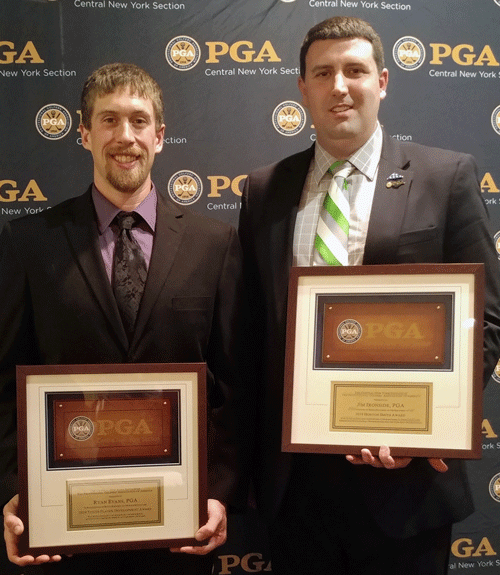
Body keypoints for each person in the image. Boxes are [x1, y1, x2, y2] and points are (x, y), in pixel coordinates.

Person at [238, 16, 500, 575]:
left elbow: (487, 321)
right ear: (302, 88)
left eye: (355, 70)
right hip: (296, 485)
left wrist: (427, 429)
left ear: (382, 81)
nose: (339, 86)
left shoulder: (445, 177)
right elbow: (251, 330)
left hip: (406, 489)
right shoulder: (265, 190)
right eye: (323, 72)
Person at [1, 62, 251, 575]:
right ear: (85, 134)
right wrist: (14, 492)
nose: (125, 137)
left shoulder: (215, 245)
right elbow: (6, 380)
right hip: (63, 528)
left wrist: (219, 492)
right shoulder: (29, 243)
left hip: (180, 527)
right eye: (109, 120)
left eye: (139, 121)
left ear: (160, 137)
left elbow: (233, 384)